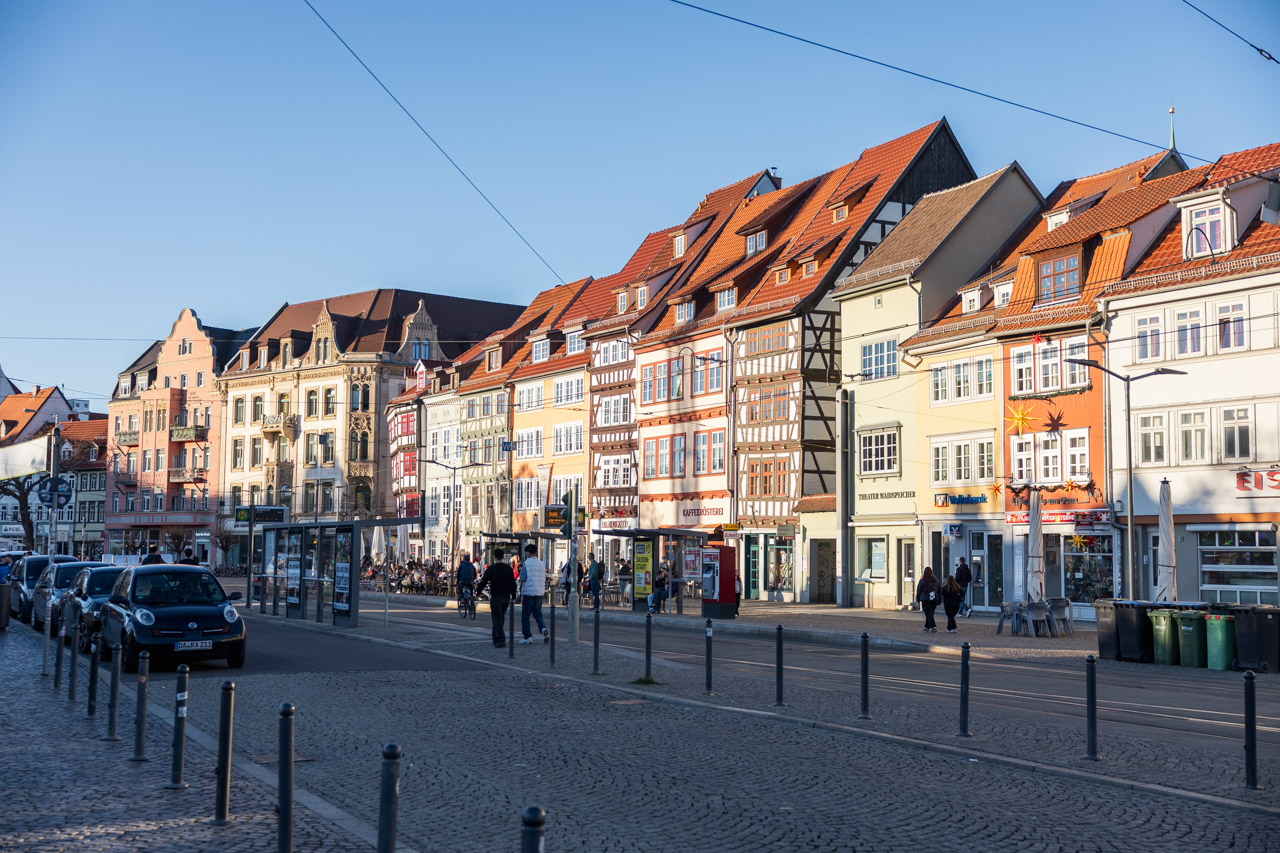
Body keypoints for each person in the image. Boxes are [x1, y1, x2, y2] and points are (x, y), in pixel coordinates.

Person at [475, 548, 517, 647]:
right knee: (500, 617)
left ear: (494, 557)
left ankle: (501, 640)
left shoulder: (491, 569)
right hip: (506, 597)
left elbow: (483, 581)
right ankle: (495, 638)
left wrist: (477, 593)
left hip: (496, 596)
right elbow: (512, 584)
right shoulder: (508, 569)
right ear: (503, 557)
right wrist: (514, 596)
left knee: (497, 618)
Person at [518, 543, 549, 644]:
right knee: (538, 614)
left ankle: (527, 636)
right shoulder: (541, 563)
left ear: (527, 552)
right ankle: (543, 629)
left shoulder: (526, 564)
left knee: (526, 615)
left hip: (528, 593)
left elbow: (522, 578)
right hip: (539, 592)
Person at [916, 566, 940, 633]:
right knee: (930, 613)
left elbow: (919, 590)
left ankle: (933, 626)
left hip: (925, 599)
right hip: (934, 599)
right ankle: (926, 627)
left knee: (928, 614)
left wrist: (918, 599)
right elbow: (939, 590)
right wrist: (939, 599)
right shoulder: (936, 581)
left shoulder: (922, 581)